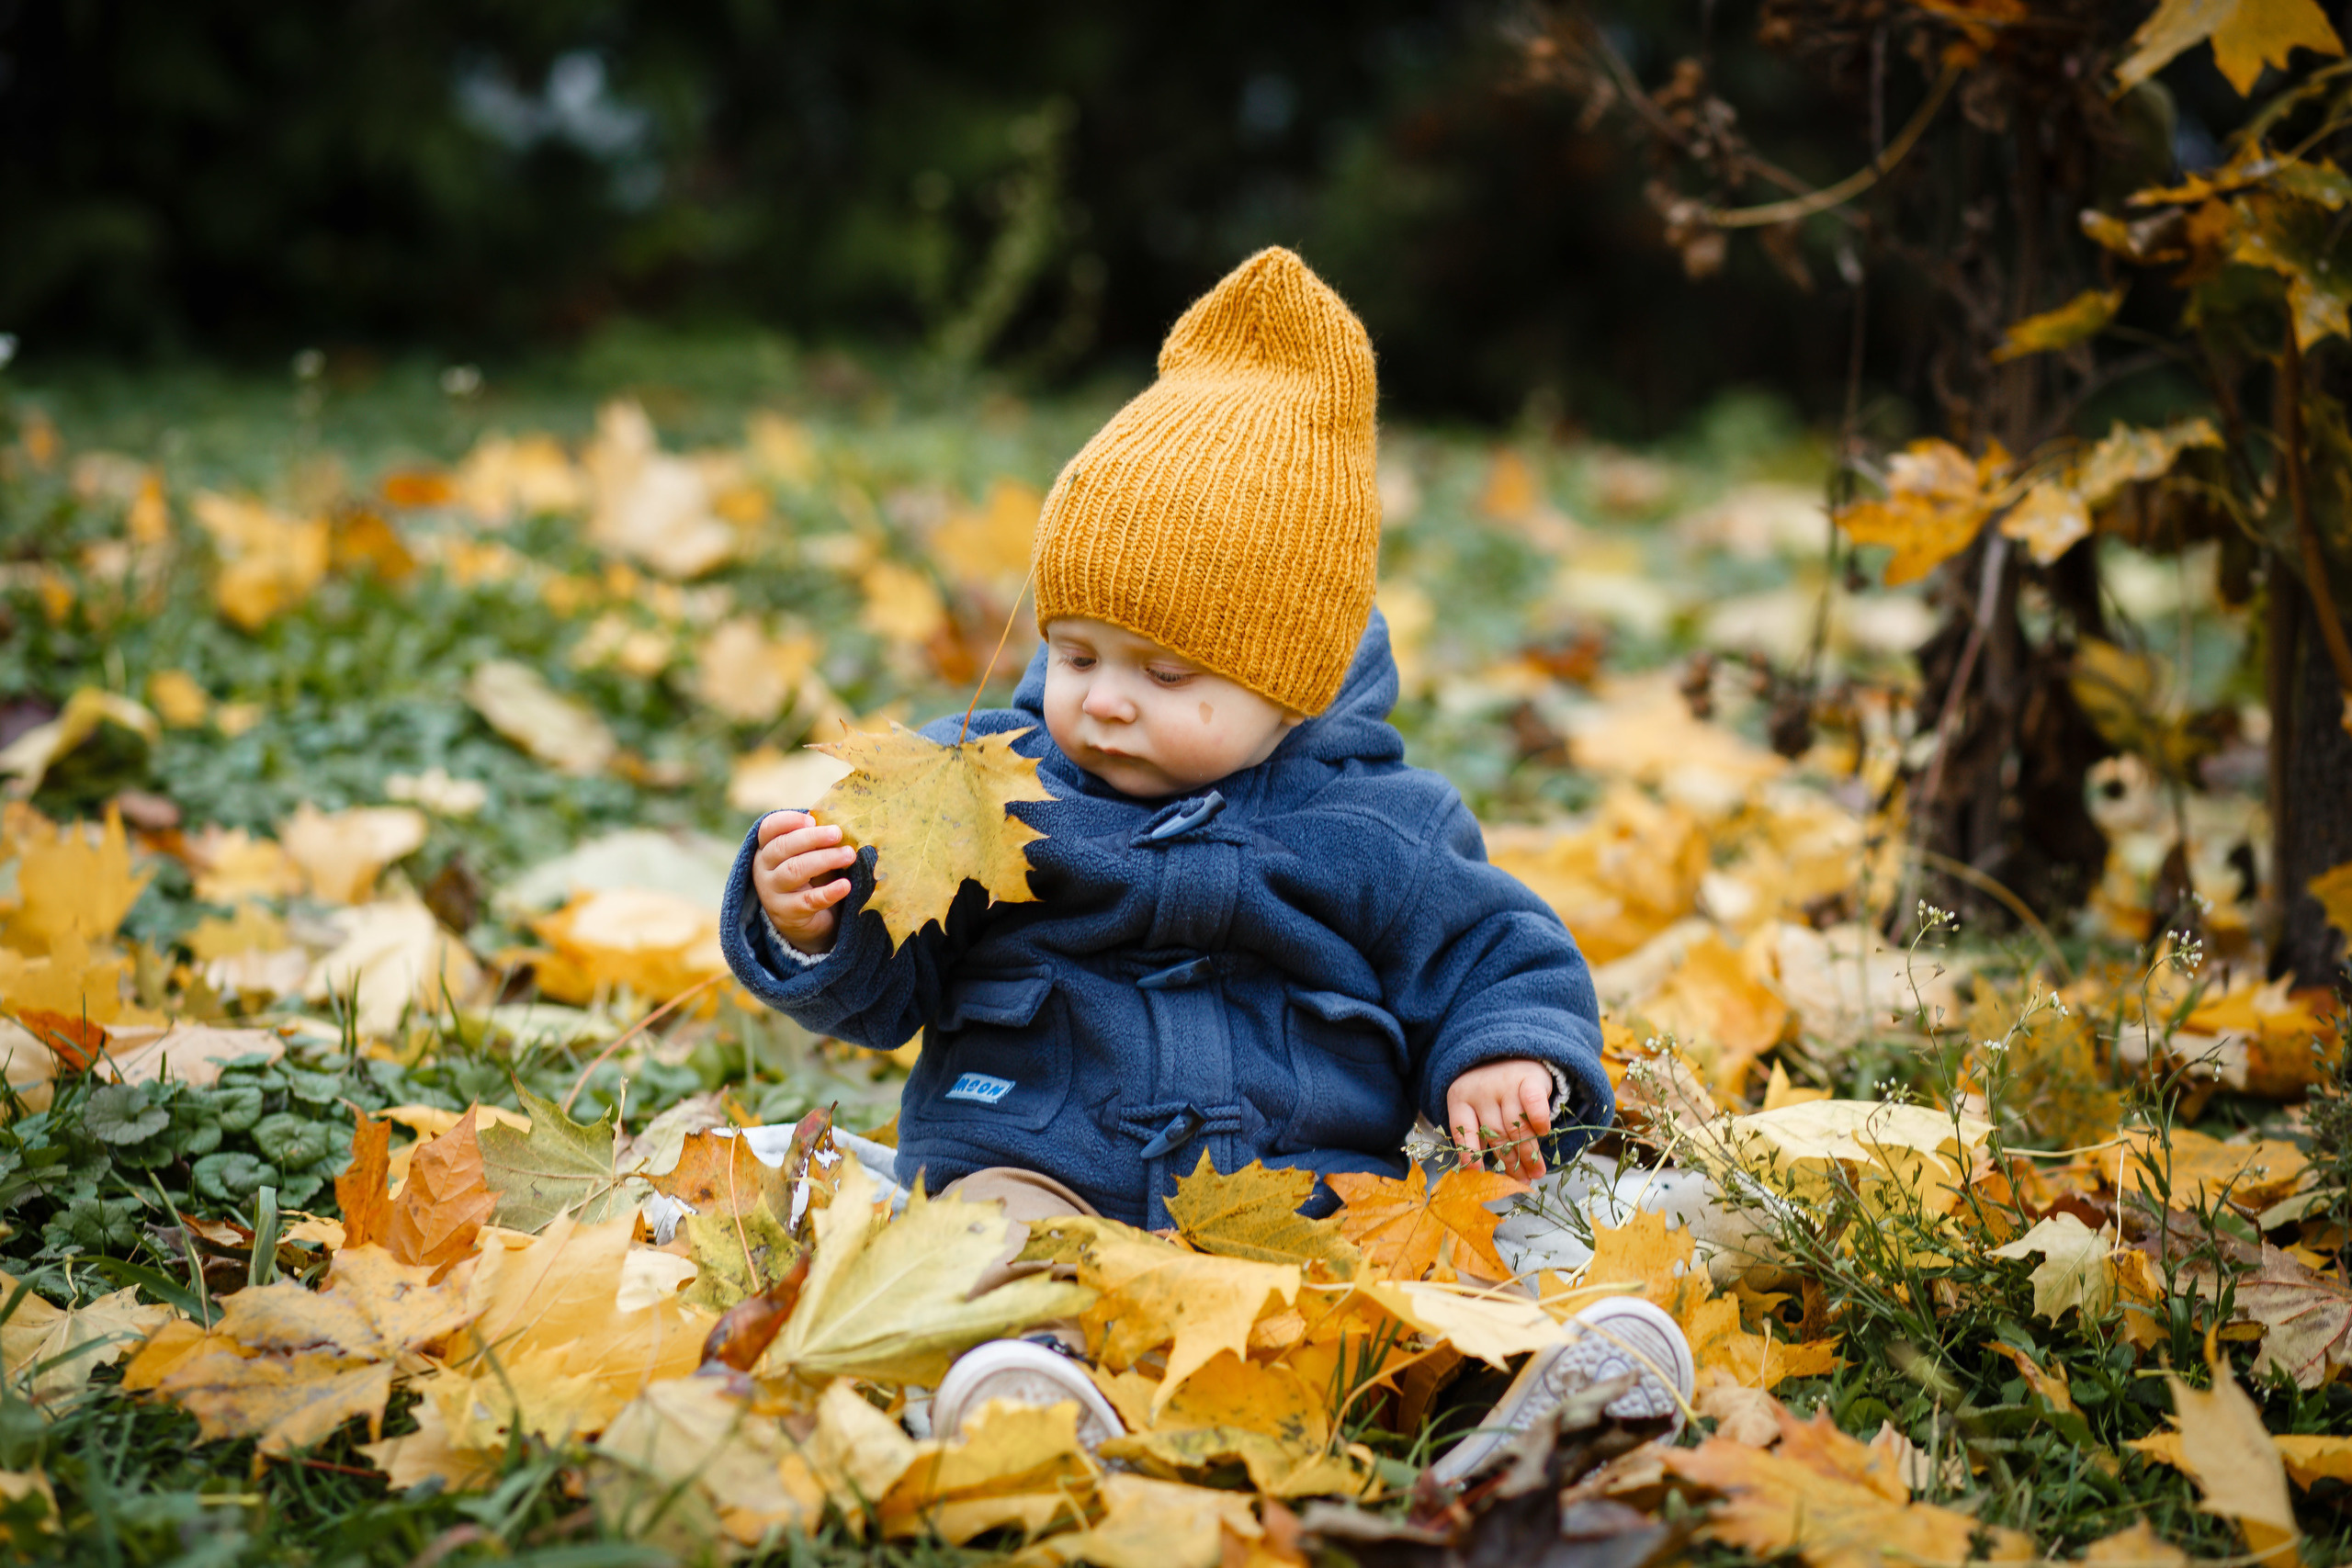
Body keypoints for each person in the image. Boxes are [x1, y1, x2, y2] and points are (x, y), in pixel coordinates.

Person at [717, 247, 1691, 1483]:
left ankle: (1534, 1408)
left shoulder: (1378, 825)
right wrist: (814, 925)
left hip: (1303, 1212)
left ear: (1292, 680)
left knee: (1407, 1292)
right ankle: (1030, 1393)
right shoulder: (984, 785)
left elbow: (1494, 949)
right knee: (984, 1242)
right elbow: (884, 985)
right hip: (1038, 1159)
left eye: (1166, 674)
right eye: (1076, 654)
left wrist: (1503, 1052)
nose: (1106, 703)